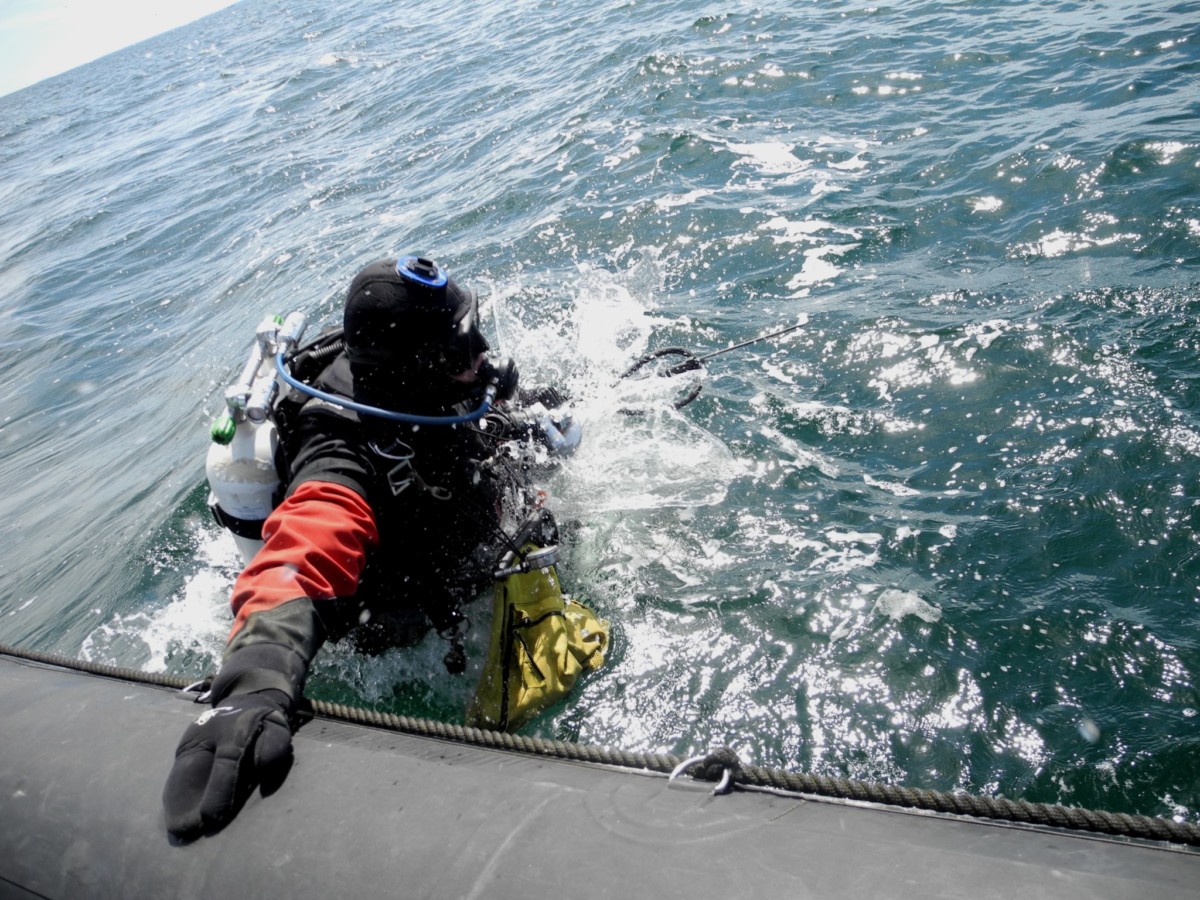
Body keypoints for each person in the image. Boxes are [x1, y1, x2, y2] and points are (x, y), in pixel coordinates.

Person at [163, 255, 570, 839]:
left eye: (474, 331)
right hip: (399, 614)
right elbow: (307, 547)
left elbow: (479, 403)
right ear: (418, 370)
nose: (482, 353)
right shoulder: (340, 448)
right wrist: (255, 678)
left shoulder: (426, 382)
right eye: (463, 347)